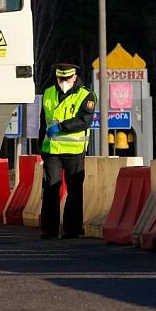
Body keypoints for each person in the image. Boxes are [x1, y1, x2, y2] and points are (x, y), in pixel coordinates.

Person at [40, 63, 97, 240]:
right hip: (52, 150)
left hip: (74, 151)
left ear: (74, 77)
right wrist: (41, 146)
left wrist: (62, 127)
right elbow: (43, 122)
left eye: (66, 78)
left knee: (74, 190)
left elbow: (84, 120)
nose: (62, 82)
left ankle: (72, 230)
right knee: (51, 188)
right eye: (60, 79)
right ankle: (49, 230)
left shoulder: (86, 95)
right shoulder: (48, 93)